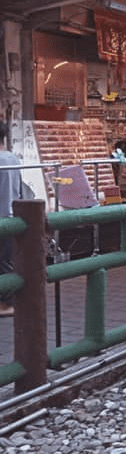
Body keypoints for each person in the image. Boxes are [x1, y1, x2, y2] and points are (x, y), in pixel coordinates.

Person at [0, 122, 22, 317]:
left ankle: (7, 303)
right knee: (7, 260)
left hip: (2, 217)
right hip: (12, 214)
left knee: (4, 262)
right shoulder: (13, 158)